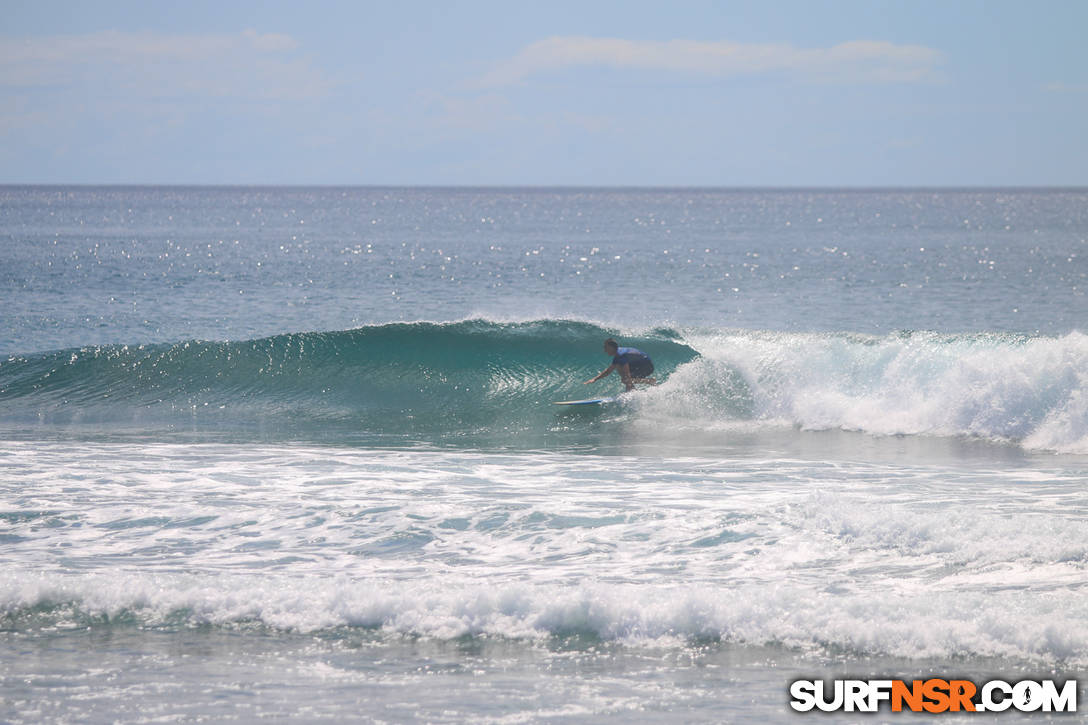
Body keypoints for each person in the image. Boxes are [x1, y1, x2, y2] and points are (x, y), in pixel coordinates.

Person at [585, 338, 656, 392]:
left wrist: (628, 384)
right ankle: (633, 388)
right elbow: (609, 370)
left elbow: (627, 373)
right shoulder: (619, 353)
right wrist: (595, 379)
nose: (605, 350)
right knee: (620, 369)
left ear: (611, 348)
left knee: (625, 379)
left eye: (606, 348)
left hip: (646, 367)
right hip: (640, 364)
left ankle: (648, 381)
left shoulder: (620, 355)